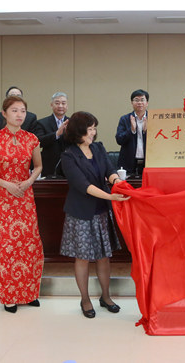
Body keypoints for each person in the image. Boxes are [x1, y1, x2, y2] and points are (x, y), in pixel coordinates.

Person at [60, 111, 130, 318]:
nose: (93, 132)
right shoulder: (68, 155)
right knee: (82, 258)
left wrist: (117, 182)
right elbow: (83, 185)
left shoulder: (98, 148)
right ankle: (85, 299)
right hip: (81, 213)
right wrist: (111, 197)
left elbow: (110, 170)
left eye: (94, 128)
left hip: (101, 212)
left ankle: (106, 297)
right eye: (89, 129)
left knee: (103, 257)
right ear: (78, 131)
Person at [0, 96, 44, 313]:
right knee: (6, 245)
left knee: (29, 245)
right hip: (2, 197)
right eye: (14, 110)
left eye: (23, 110)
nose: (19, 114)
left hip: (25, 196)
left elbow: (38, 166)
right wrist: (6, 184)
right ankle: (9, 296)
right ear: (4, 114)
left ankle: (29, 293)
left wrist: (29, 181)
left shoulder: (32, 138)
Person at [35, 92, 69, 177]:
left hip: (69, 165)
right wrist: (57, 134)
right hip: (49, 166)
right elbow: (38, 142)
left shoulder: (73, 122)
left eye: (63, 103)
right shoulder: (42, 122)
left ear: (67, 105)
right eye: (57, 103)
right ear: (51, 105)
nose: (60, 106)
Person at [116, 89, 148, 177]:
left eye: (142, 100)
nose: (139, 102)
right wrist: (131, 130)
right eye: (136, 100)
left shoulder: (153, 118)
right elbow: (119, 140)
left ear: (147, 103)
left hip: (148, 162)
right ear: (132, 103)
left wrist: (146, 131)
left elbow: (158, 141)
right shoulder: (125, 119)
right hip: (128, 162)